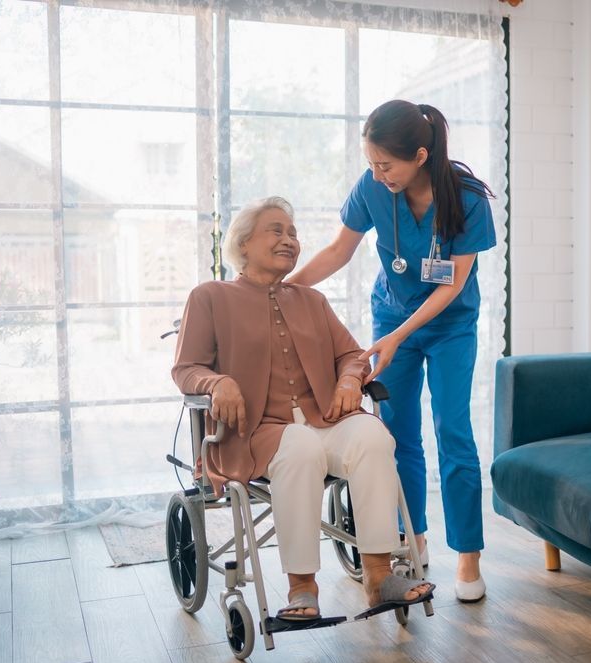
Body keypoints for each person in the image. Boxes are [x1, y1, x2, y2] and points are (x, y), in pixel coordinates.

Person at [171, 196, 434, 621]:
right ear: (242, 242)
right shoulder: (210, 297)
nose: (289, 240)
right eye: (276, 230)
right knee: (300, 448)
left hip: (324, 421)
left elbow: (351, 354)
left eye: (293, 233)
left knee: (373, 436)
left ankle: (379, 576)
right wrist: (217, 382)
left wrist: (351, 379)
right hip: (257, 434)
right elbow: (186, 369)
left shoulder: (312, 301)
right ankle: (302, 588)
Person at [288, 100, 496, 602]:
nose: (378, 174)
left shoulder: (466, 198)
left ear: (420, 155)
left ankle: (468, 556)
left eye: (386, 165)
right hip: (391, 315)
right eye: (371, 163)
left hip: (449, 326)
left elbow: (453, 285)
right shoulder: (373, 188)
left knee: (452, 429)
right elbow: (340, 250)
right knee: (398, 433)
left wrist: (399, 335)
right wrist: (286, 287)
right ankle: (413, 540)